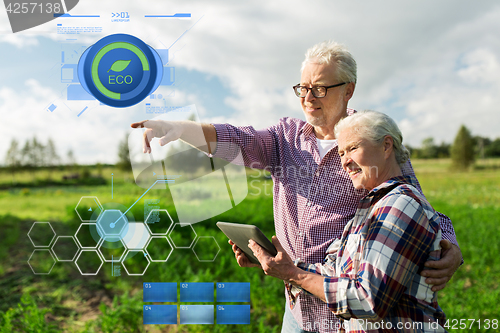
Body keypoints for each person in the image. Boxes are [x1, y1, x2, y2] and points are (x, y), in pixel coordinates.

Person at [131, 41, 461, 333]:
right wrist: (175, 127)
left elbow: (417, 204)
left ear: (349, 89)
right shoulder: (285, 138)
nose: (307, 97)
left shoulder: (370, 141)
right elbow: (236, 139)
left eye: (319, 88)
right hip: (296, 309)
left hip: (346, 315)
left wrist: (450, 245)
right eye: (302, 88)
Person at [246, 110, 447, 333]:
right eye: (341, 153)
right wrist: (279, 264)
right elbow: (338, 273)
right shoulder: (371, 206)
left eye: (353, 148)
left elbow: (367, 301)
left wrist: (294, 275)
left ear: (386, 146)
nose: (345, 162)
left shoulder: (400, 205)